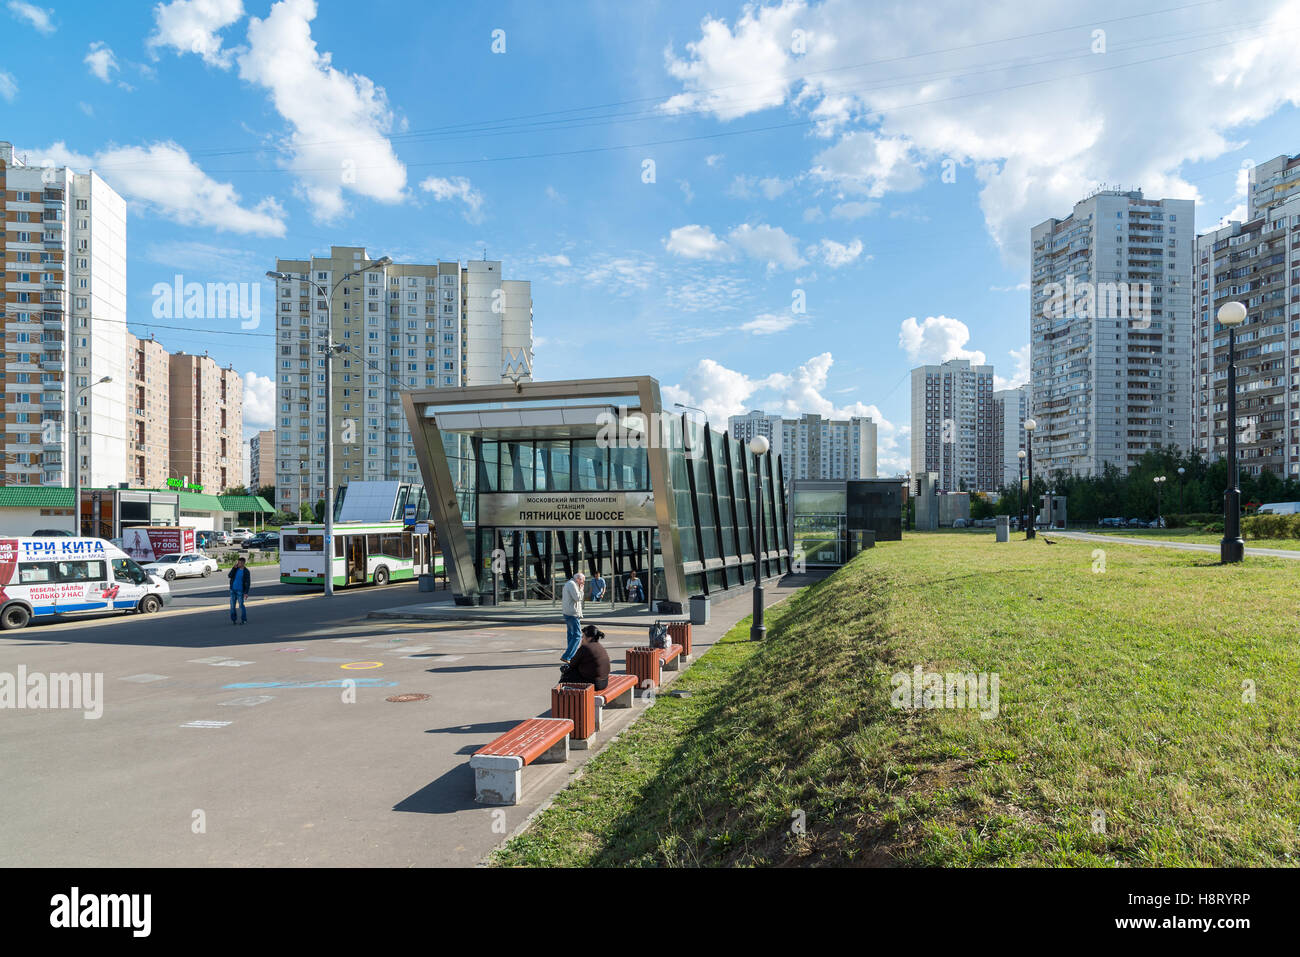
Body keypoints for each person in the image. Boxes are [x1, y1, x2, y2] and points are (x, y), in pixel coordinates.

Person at [560, 624, 610, 691]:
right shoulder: (599, 646)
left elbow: (572, 664)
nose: (582, 639)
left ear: (589, 638)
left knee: (567, 675)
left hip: (595, 684)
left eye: (583, 637)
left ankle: (563, 698)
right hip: (604, 682)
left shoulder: (585, 648)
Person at [560, 571, 585, 663]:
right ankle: (567, 656)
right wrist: (581, 589)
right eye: (583, 581)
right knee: (578, 635)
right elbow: (578, 598)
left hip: (568, 612)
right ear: (578, 579)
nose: (583, 583)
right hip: (572, 613)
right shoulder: (572, 584)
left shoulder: (569, 584)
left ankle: (571, 656)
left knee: (571, 635)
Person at [228, 556, 251, 625]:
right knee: (232, 606)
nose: (238, 564)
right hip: (233, 590)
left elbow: (248, 583)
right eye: (238, 562)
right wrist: (233, 568)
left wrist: (246, 593)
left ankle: (244, 620)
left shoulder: (246, 571)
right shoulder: (236, 569)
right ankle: (234, 620)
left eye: (240, 563)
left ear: (243, 563)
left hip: (240, 591)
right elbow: (229, 575)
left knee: (241, 606)